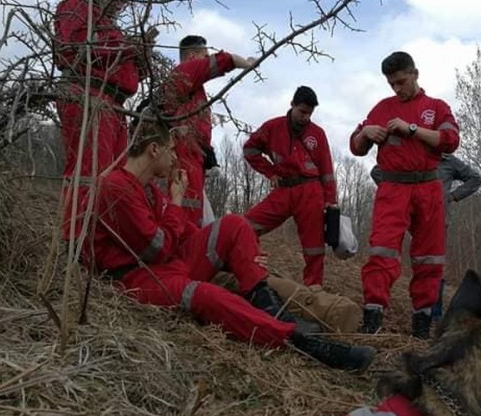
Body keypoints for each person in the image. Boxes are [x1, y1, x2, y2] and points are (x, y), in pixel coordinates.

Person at [91, 106, 376, 372]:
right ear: (154, 149)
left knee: (235, 224)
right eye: (170, 151)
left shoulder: (150, 190)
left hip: (170, 262)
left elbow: (186, 235)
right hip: (141, 277)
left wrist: (240, 255)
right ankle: (297, 340)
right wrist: (176, 203)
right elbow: (158, 247)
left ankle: (268, 304)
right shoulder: (117, 187)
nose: (175, 157)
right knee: (207, 295)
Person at [350, 51, 459, 339]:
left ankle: (422, 323)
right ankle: (372, 316)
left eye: (401, 81)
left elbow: (450, 141)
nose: (397, 88)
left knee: (430, 258)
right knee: (381, 251)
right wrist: (366, 133)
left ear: (415, 74)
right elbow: (356, 147)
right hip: (392, 188)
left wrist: (412, 129)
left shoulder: (436, 107)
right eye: (391, 84)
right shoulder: (382, 108)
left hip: (428, 188)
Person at [53, 0, 152, 242]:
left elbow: (119, 70)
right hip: (87, 96)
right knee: (88, 171)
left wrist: (139, 62)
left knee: (113, 176)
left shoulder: (110, 27)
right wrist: (127, 48)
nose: (121, 6)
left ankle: (102, 239)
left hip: (113, 105)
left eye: (125, 2)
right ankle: (76, 240)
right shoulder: (75, 6)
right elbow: (72, 47)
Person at [243, 86, 337, 287]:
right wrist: (270, 172)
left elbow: (327, 171)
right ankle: (248, 271)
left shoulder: (317, 134)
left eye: (310, 114)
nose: (305, 117)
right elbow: (250, 149)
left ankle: (313, 289)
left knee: (314, 247)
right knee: (247, 226)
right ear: (292, 105)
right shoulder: (272, 127)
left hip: (310, 191)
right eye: (302, 112)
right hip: (283, 189)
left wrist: (330, 202)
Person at [371, 153, 481, 321]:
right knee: (389, 253)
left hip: (436, 218)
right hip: (406, 215)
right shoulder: (410, 154)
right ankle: (377, 306)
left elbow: (475, 179)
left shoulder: (448, 161)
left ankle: (431, 314)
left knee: (433, 263)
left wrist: (451, 197)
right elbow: (377, 171)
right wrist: (396, 189)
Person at [160, 35, 256, 227]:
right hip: (185, 153)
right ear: (191, 56)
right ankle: (184, 248)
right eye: (204, 56)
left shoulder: (193, 88)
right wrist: (247, 63)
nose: (207, 60)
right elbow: (223, 60)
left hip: (194, 155)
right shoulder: (184, 71)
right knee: (188, 208)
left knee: (196, 209)